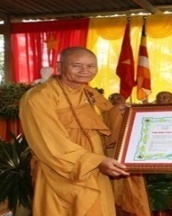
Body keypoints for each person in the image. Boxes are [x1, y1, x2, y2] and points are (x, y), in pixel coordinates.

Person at [19, 47, 130, 216]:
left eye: (91, 66)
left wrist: (121, 113)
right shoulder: (39, 96)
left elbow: (106, 122)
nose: (85, 71)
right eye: (77, 65)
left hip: (97, 167)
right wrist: (94, 161)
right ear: (59, 66)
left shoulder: (89, 93)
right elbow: (49, 140)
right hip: (62, 171)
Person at [103, 93, 151, 216]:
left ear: (125, 99)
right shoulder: (104, 113)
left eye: (118, 98)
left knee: (133, 193)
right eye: (112, 98)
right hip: (109, 156)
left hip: (130, 156)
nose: (115, 100)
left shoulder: (133, 111)